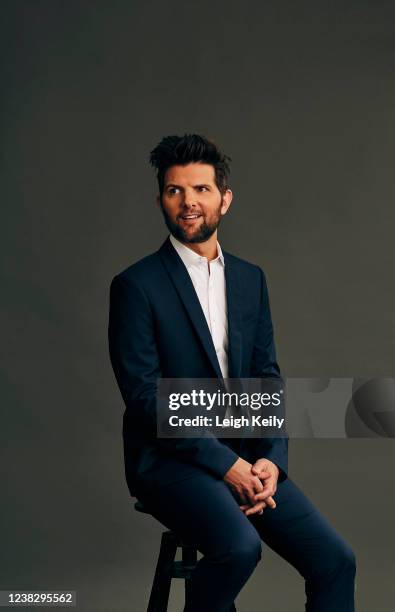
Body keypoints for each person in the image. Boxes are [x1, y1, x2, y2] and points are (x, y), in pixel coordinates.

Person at [108, 134, 356, 611]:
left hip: (247, 455)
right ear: (161, 198)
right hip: (168, 462)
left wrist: (270, 460)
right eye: (175, 191)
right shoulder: (136, 286)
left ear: (225, 198)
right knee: (240, 548)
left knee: (336, 560)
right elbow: (144, 397)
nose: (188, 203)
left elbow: (267, 380)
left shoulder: (249, 279)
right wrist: (225, 466)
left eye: (201, 189)